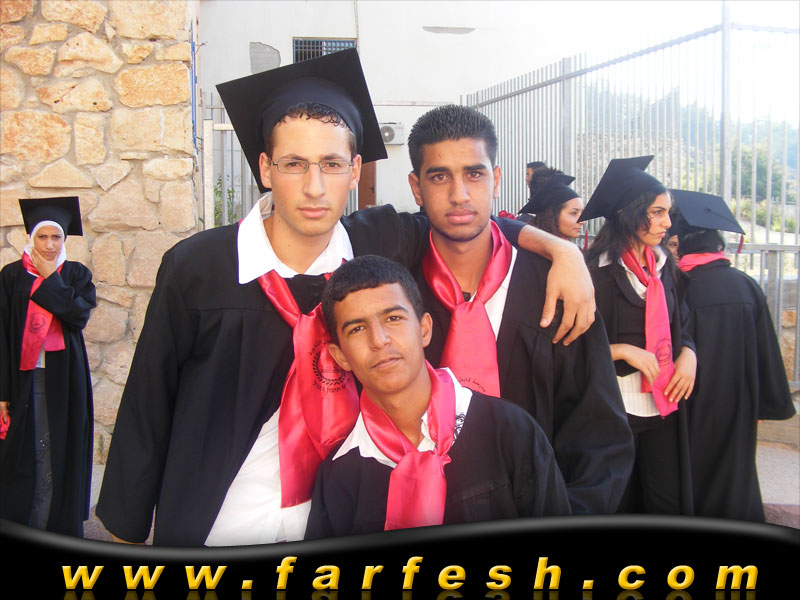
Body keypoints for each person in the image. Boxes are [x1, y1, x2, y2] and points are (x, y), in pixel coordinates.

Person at [96, 49, 596, 546]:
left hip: (338, 513)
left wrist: (561, 251)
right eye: (294, 164)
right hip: (219, 521)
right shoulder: (199, 267)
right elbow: (149, 402)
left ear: (355, 170)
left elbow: (464, 219)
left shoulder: (377, 244)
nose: (315, 188)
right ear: (265, 168)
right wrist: (127, 530)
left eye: (332, 164)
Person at [404, 105, 634, 515]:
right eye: (439, 176)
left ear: (496, 180)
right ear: (416, 188)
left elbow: (599, 434)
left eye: (474, 174)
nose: (459, 194)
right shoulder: (396, 294)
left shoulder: (556, 288)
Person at [305, 255, 571, 538]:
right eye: (357, 329)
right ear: (340, 357)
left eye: (393, 318)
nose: (379, 340)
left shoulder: (509, 432)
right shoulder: (339, 477)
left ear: (424, 330)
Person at [669, 189, 796, 521]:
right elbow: (766, 349)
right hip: (738, 401)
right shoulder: (746, 286)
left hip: (688, 402)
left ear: (681, 244)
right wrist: (765, 402)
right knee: (735, 471)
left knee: (689, 471)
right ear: (718, 245)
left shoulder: (676, 286)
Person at [582, 156, 697, 515]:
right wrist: (620, 350)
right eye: (657, 212)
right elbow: (566, 344)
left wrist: (689, 354)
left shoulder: (664, 267)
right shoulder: (594, 274)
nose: (668, 223)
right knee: (619, 501)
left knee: (664, 500)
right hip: (614, 408)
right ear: (629, 213)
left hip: (664, 404)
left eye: (667, 212)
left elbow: (684, 324)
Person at [0, 196, 96, 536]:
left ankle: (58, 528)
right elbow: (2, 334)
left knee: (59, 452)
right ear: (31, 238)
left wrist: (49, 278)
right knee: (25, 453)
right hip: (23, 379)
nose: (49, 245)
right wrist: (2, 393)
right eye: (42, 237)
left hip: (65, 379)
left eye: (56, 237)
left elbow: (77, 316)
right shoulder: (12, 276)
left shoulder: (76, 274)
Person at [520, 168, 585, 241]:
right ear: (551, 214)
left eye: (582, 213)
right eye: (574, 213)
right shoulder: (531, 245)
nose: (582, 221)